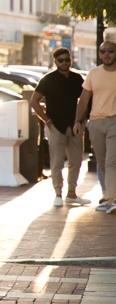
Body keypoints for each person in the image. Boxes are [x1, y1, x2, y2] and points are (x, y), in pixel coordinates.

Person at [31, 47, 89, 207]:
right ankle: (58, 194)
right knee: (56, 162)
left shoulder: (77, 79)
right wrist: (46, 120)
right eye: (61, 60)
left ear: (71, 60)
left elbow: (85, 100)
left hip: (75, 125)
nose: (64, 63)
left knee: (76, 161)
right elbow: (33, 101)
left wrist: (82, 120)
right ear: (55, 62)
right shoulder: (48, 79)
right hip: (55, 126)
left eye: (67, 60)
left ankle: (71, 193)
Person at [74, 41, 116, 213]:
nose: (107, 54)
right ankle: (107, 196)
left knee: (111, 161)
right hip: (95, 122)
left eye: (111, 51)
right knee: (102, 161)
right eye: (103, 51)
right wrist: (78, 121)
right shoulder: (93, 73)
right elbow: (83, 99)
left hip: (114, 121)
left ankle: (112, 200)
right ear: (99, 54)